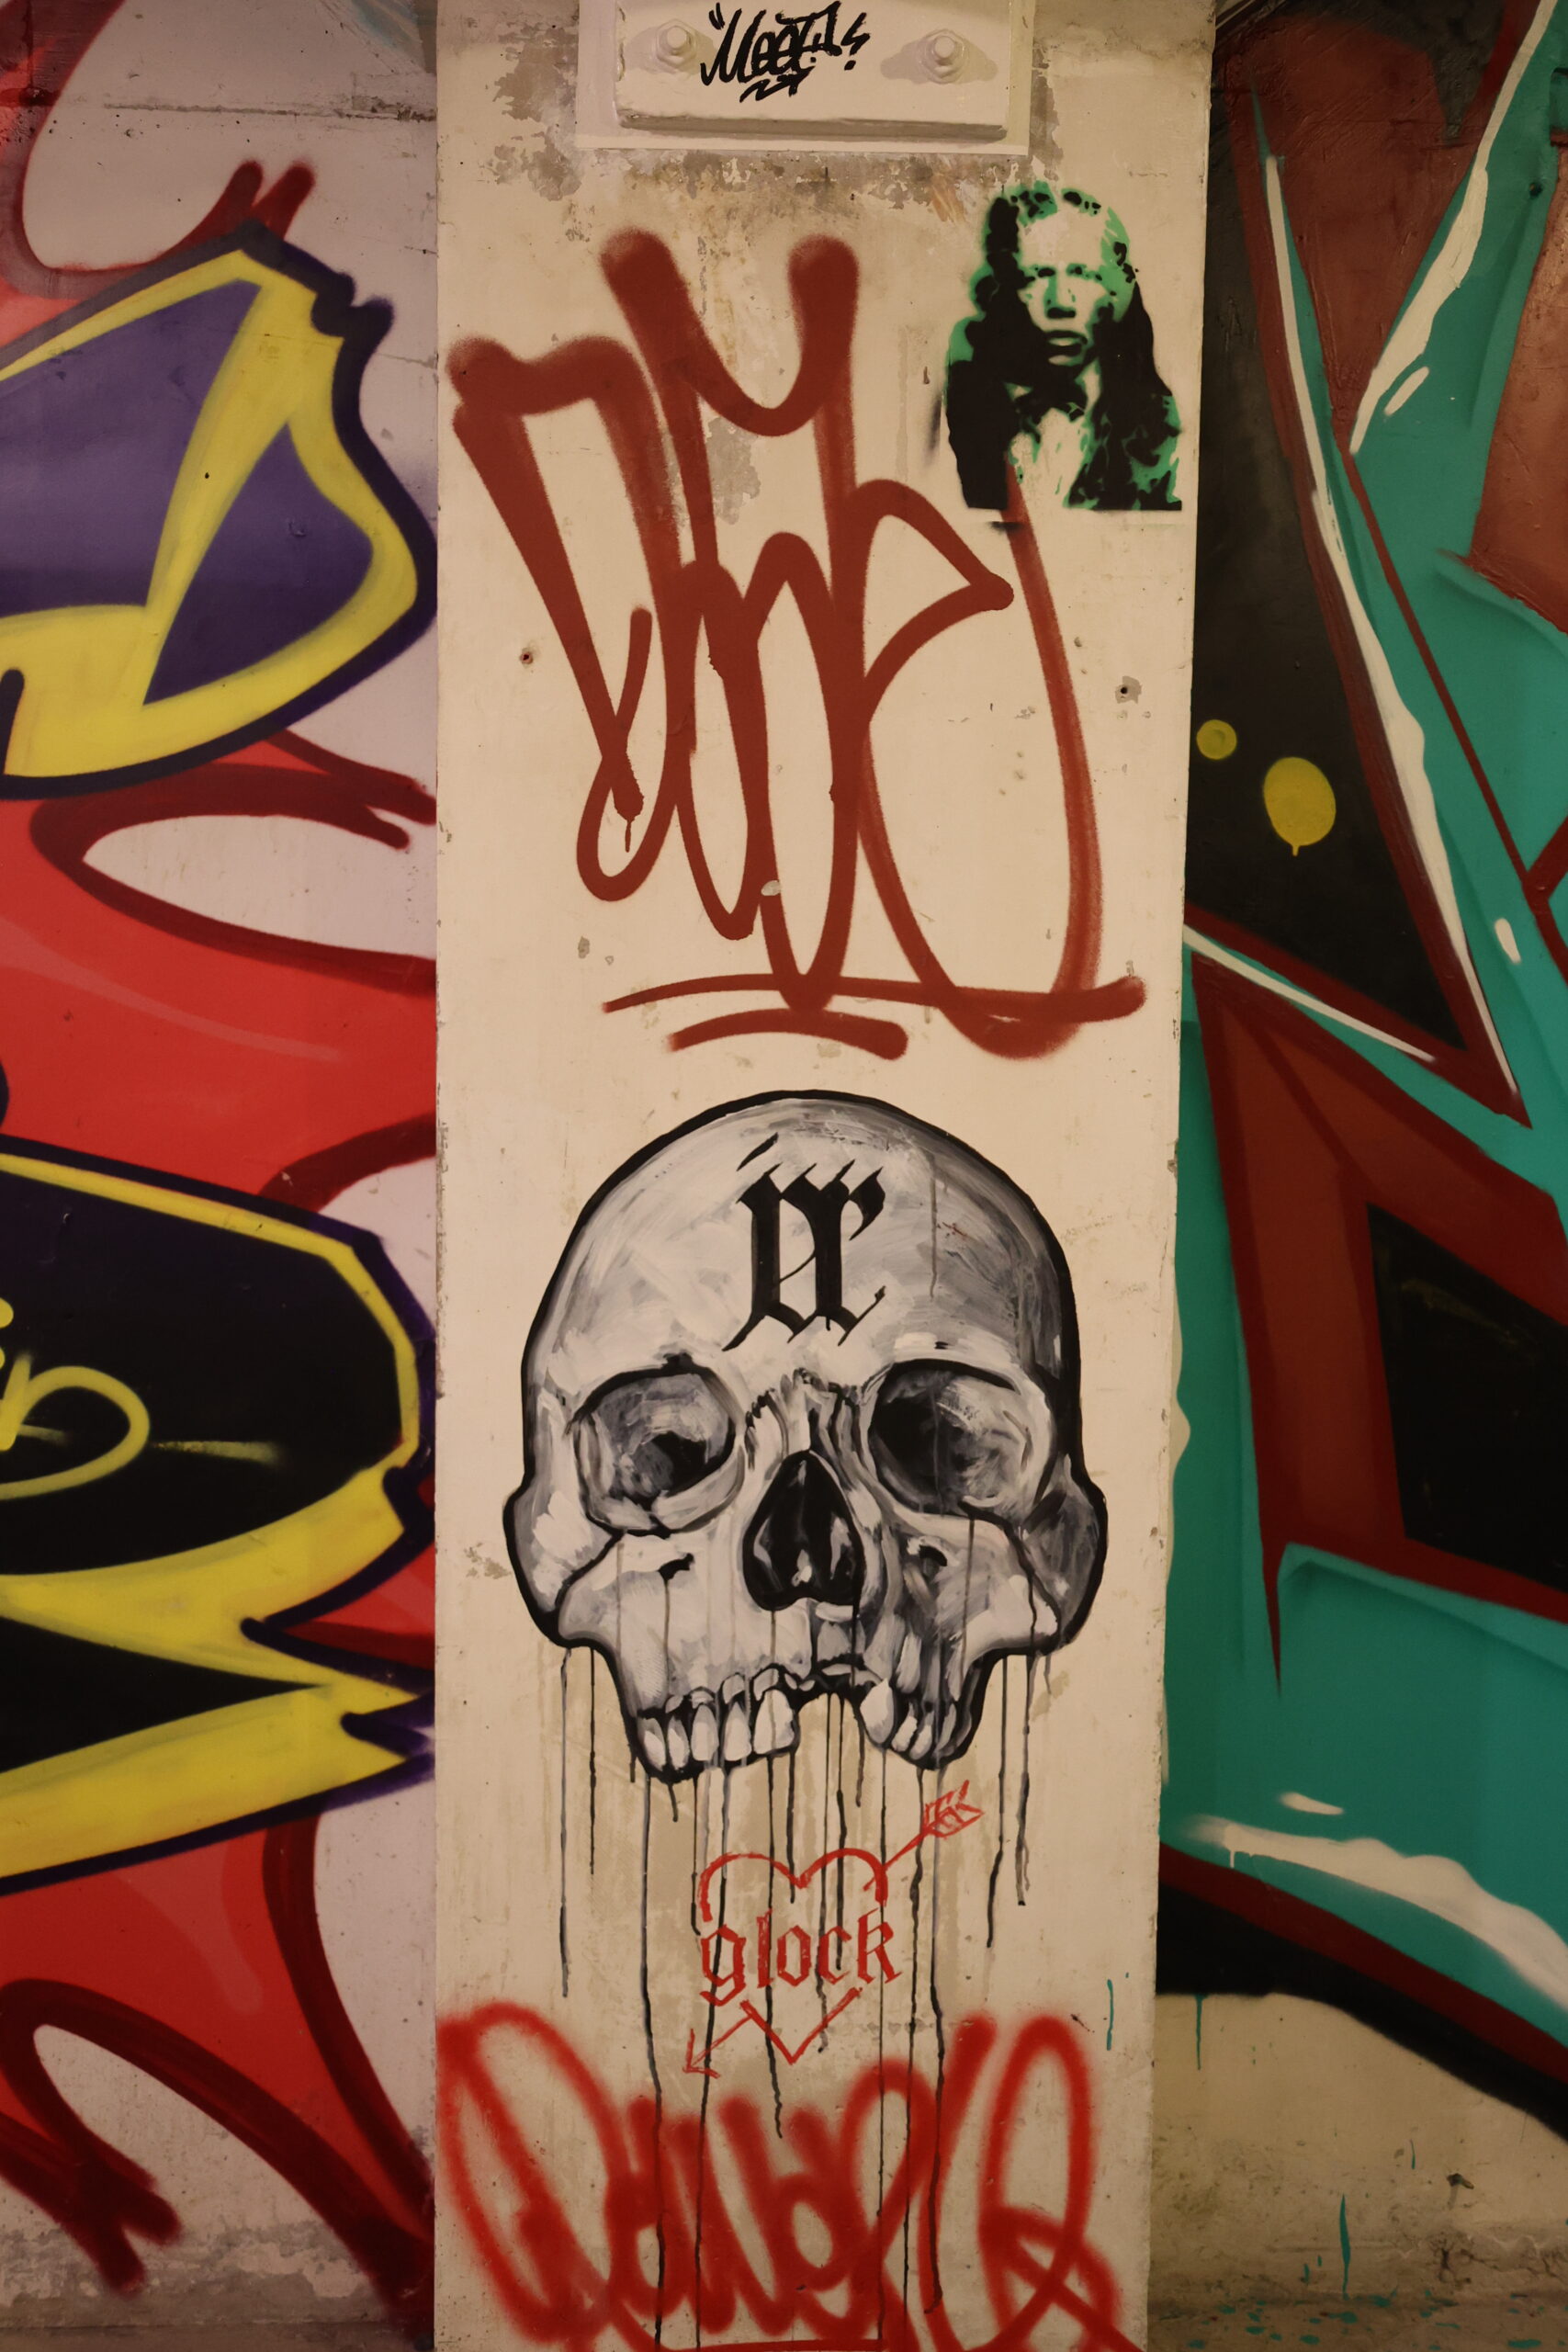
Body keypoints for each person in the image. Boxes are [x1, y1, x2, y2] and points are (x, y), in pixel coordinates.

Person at [945, 181, 1181, 514]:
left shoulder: (1157, 421)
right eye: (1037, 275)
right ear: (1010, 289)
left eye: (1082, 274)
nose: (1059, 302)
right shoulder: (973, 409)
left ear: (1115, 292)